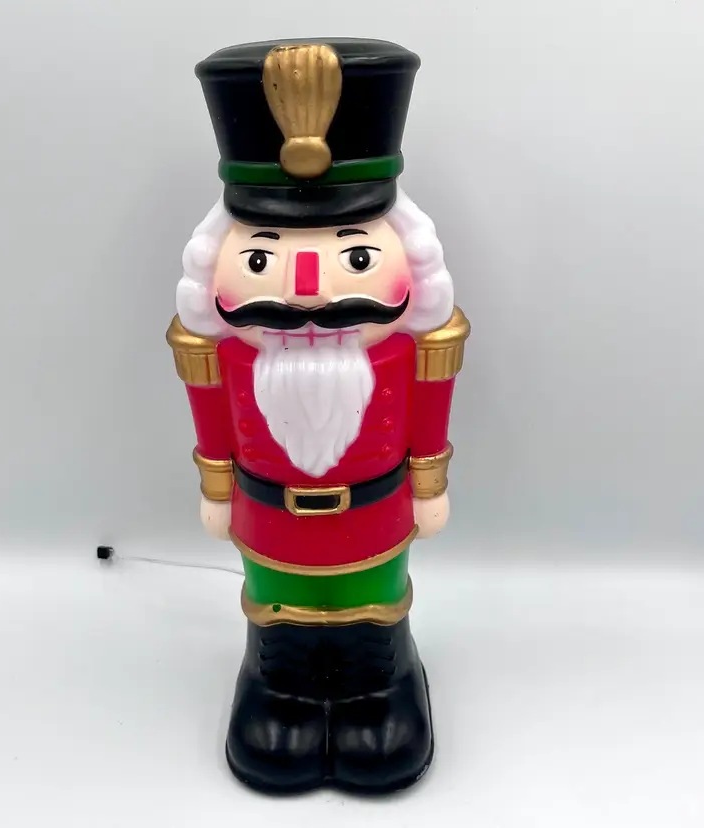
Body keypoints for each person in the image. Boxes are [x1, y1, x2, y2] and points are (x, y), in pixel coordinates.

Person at [167, 38, 470, 794]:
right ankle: (281, 688)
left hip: (376, 511)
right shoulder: (229, 359)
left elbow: (428, 417)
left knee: (375, 606)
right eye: (262, 257)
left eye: (355, 257)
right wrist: (216, 488)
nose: (308, 291)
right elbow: (212, 421)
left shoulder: (405, 354)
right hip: (269, 515)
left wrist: (429, 485)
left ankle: (379, 685)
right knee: (278, 609)